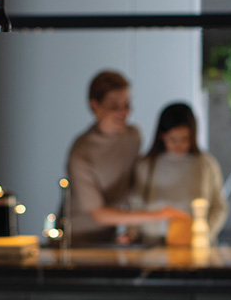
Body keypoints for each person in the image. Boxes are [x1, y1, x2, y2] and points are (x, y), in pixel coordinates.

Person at [65, 70, 189, 245]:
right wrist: (157, 215)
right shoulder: (81, 152)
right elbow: (98, 213)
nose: (123, 112)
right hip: (77, 238)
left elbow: (133, 186)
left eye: (127, 104)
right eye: (114, 105)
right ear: (95, 106)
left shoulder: (133, 136)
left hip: (110, 236)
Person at [131, 102, 229, 244]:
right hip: (152, 244)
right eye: (173, 139)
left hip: (193, 244)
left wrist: (206, 234)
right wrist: (131, 233)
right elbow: (136, 203)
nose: (179, 145)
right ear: (162, 136)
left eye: (185, 139)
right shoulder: (146, 164)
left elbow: (219, 207)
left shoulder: (205, 164)